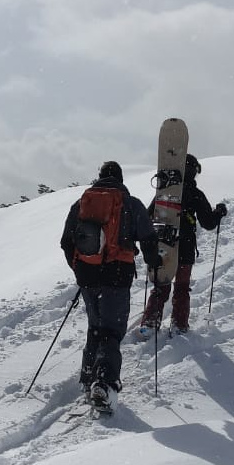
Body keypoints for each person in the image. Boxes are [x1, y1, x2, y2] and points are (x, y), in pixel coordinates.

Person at [61, 160, 160, 413]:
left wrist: (79, 269)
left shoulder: (82, 204)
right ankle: (104, 384)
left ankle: (88, 377)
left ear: (100, 177)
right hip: (117, 275)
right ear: (120, 179)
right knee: (112, 331)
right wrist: (154, 263)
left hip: (88, 276)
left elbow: (66, 242)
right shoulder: (130, 204)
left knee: (95, 326)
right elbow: (148, 238)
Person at [140, 154, 227, 335]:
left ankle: (150, 321)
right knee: (181, 287)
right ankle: (179, 324)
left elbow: (148, 216)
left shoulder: (164, 191)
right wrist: (219, 212)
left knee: (161, 286)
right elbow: (208, 223)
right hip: (185, 246)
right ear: (193, 171)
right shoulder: (195, 194)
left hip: (164, 245)